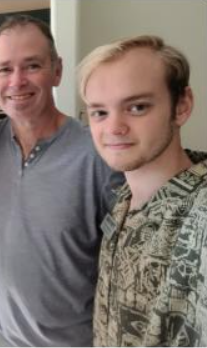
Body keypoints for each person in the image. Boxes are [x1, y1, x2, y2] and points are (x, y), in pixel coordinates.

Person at [0, 15, 119, 346]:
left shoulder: (98, 154)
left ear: (57, 71)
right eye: (5, 69)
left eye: (32, 65)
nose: (17, 81)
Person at [78, 35, 207, 346]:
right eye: (99, 112)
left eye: (137, 107)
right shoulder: (123, 198)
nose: (113, 128)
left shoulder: (200, 214)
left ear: (181, 106)